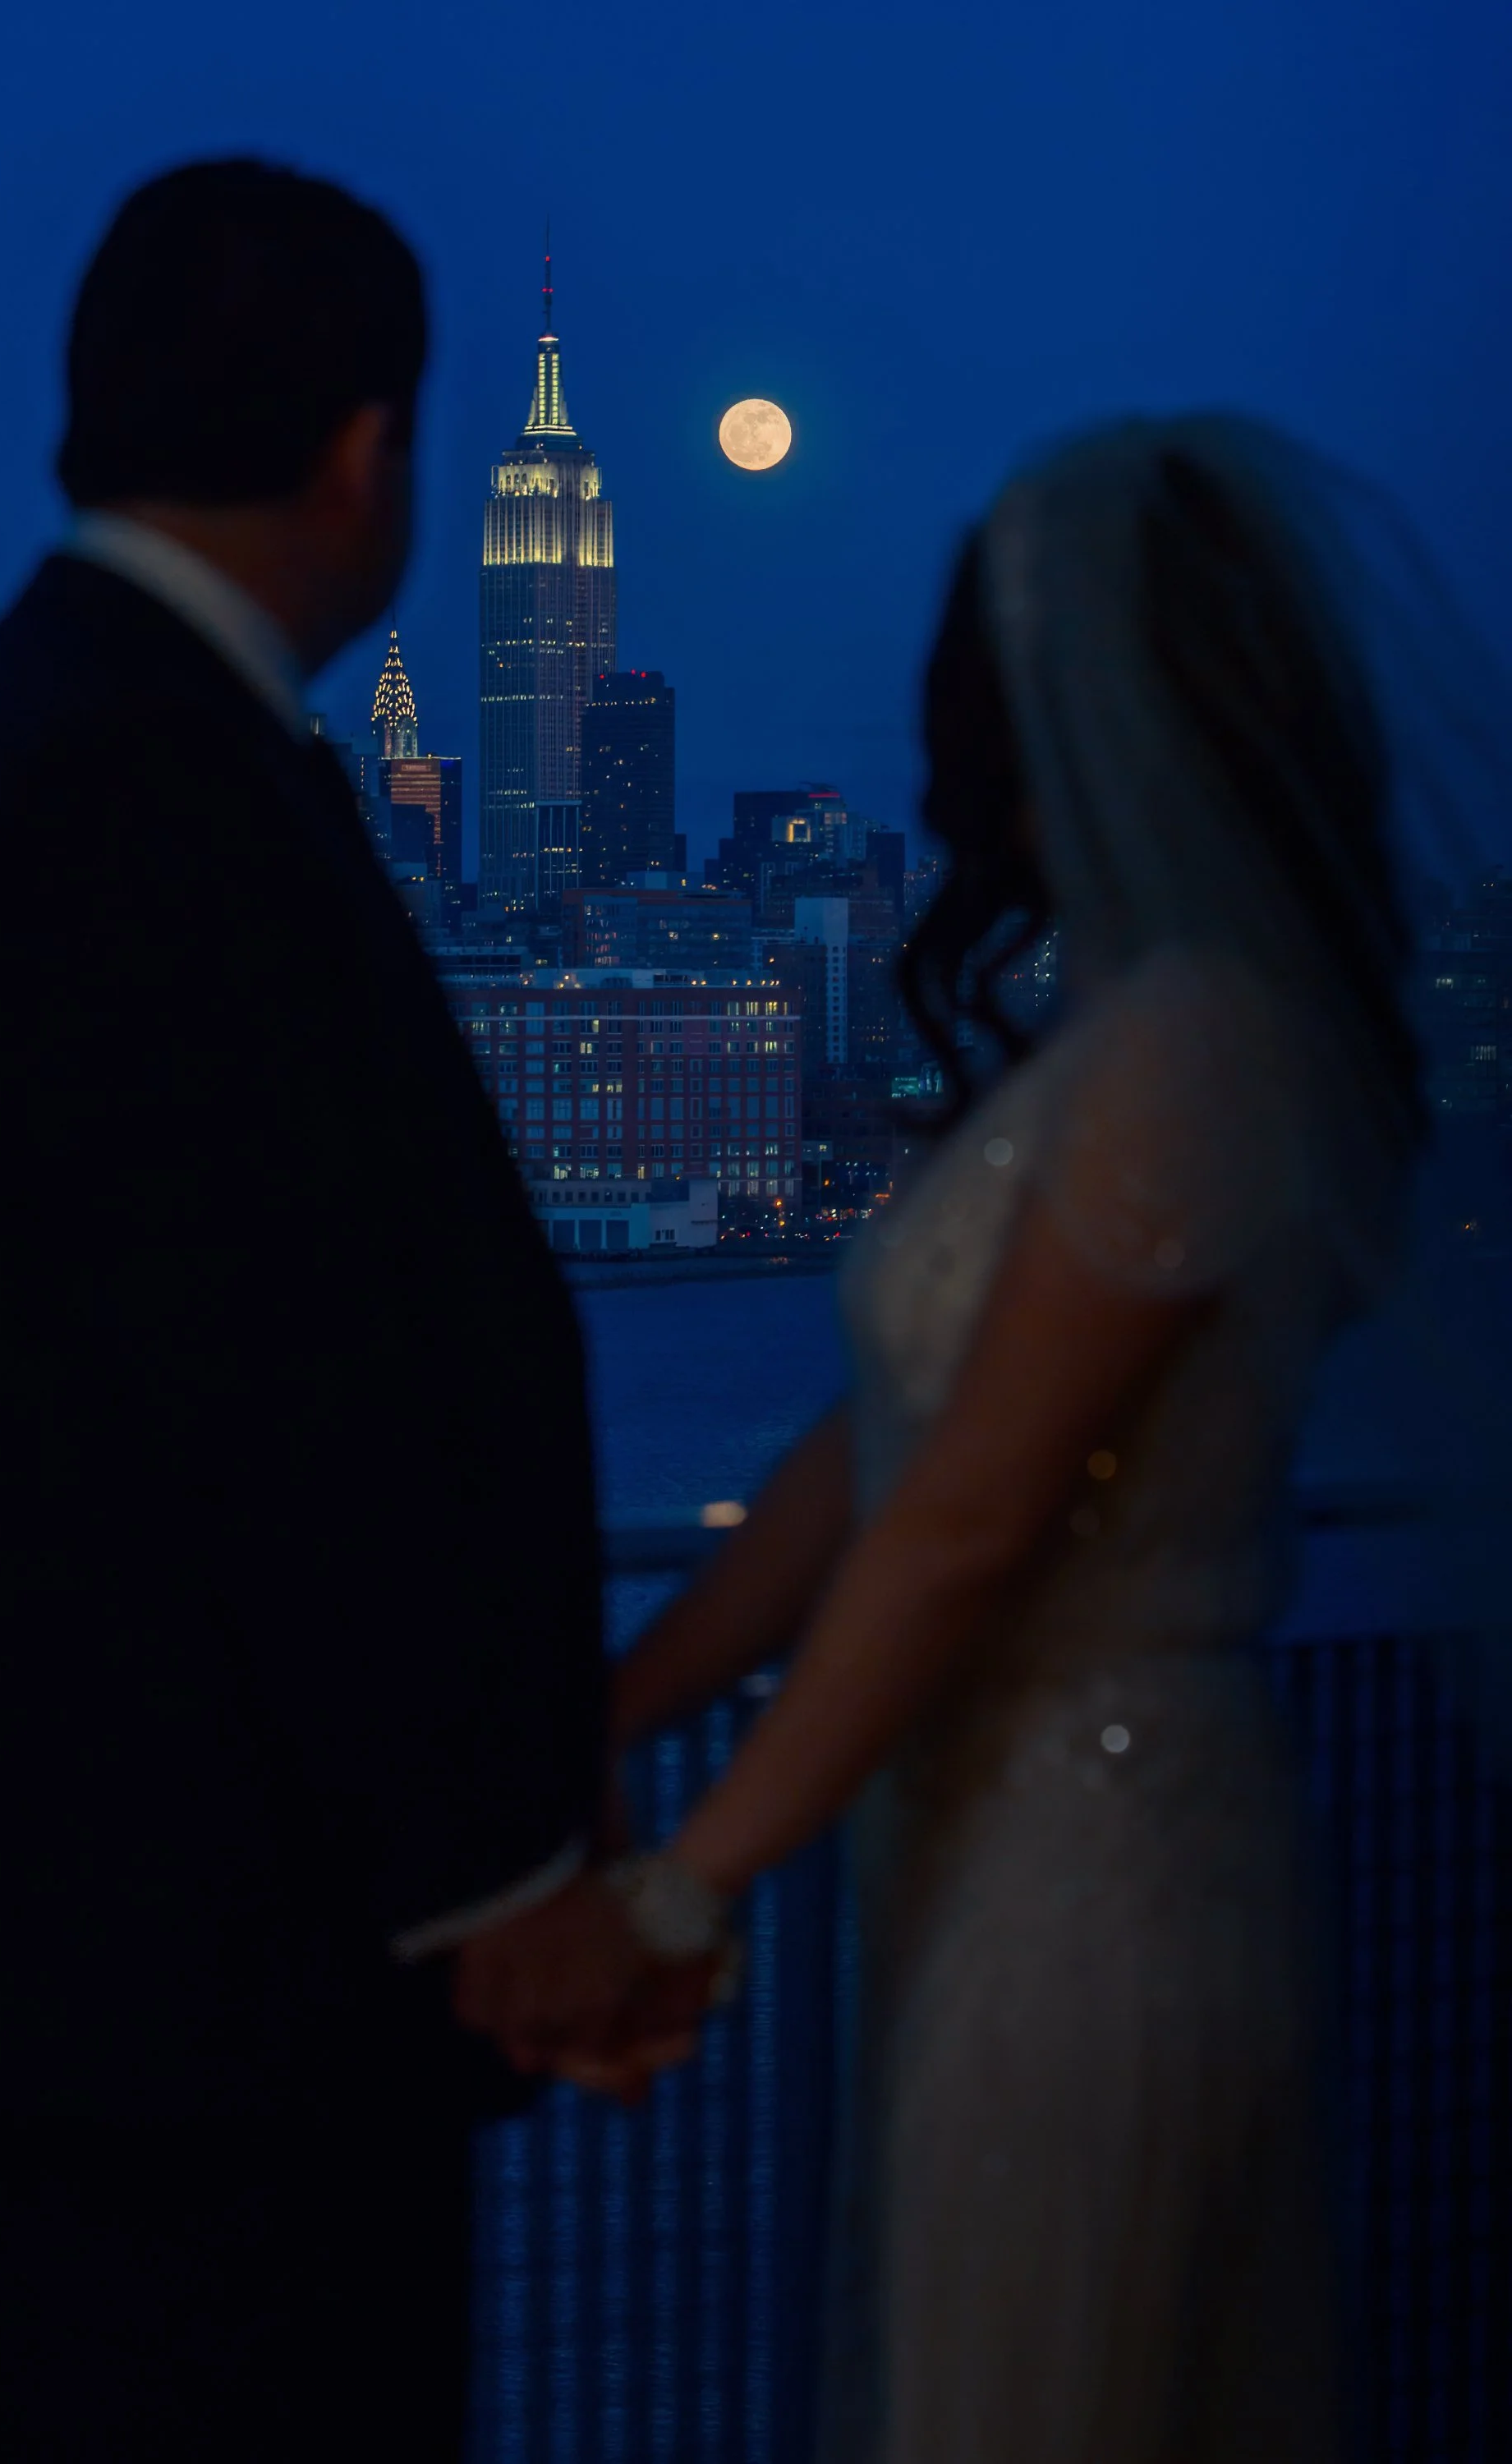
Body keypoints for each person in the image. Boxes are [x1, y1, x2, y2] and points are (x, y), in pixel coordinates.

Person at [459, 416, 1441, 2455]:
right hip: (1000, 1851)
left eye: (951, 686)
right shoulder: (1133, 1035)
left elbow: (967, 1516)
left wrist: (680, 1890)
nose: (916, 734)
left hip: (1098, 1865)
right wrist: (616, 1716)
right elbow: (871, 1459)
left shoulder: (1188, 1051)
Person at [0, 159, 626, 2462]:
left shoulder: (41, 736)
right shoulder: (138, 783)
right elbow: (271, 1399)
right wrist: (497, 1864)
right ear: (369, 452)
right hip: (225, 1995)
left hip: (150, 1967)